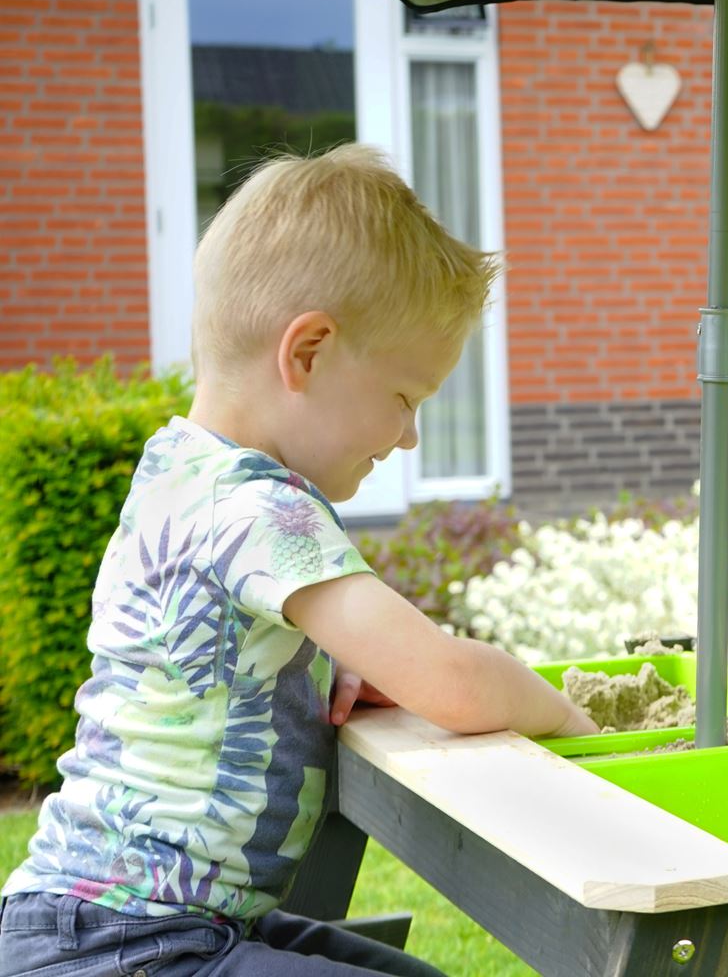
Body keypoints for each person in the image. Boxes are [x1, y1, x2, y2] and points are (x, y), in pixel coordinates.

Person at [0, 144, 598, 976]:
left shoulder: (179, 468)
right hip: (125, 945)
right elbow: (453, 683)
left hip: (115, 926)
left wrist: (320, 667)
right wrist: (569, 718)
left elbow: (214, 653)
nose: (408, 436)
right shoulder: (262, 508)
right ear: (308, 352)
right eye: (404, 399)